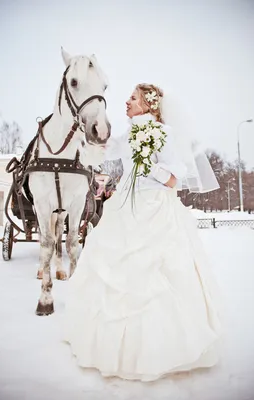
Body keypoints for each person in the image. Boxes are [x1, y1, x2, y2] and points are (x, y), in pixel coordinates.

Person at [63, 83, 222, 382]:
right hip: (124, 207)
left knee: (156, 277)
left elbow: (174, 178)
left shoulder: (166, 134)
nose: (126, 101)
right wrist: (83, 134)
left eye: (132, 98)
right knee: (113, 272)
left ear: (149, 104)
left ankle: (161, 349)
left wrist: (149, 165)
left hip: (156, 211)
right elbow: (104, 150)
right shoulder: (127, 135)